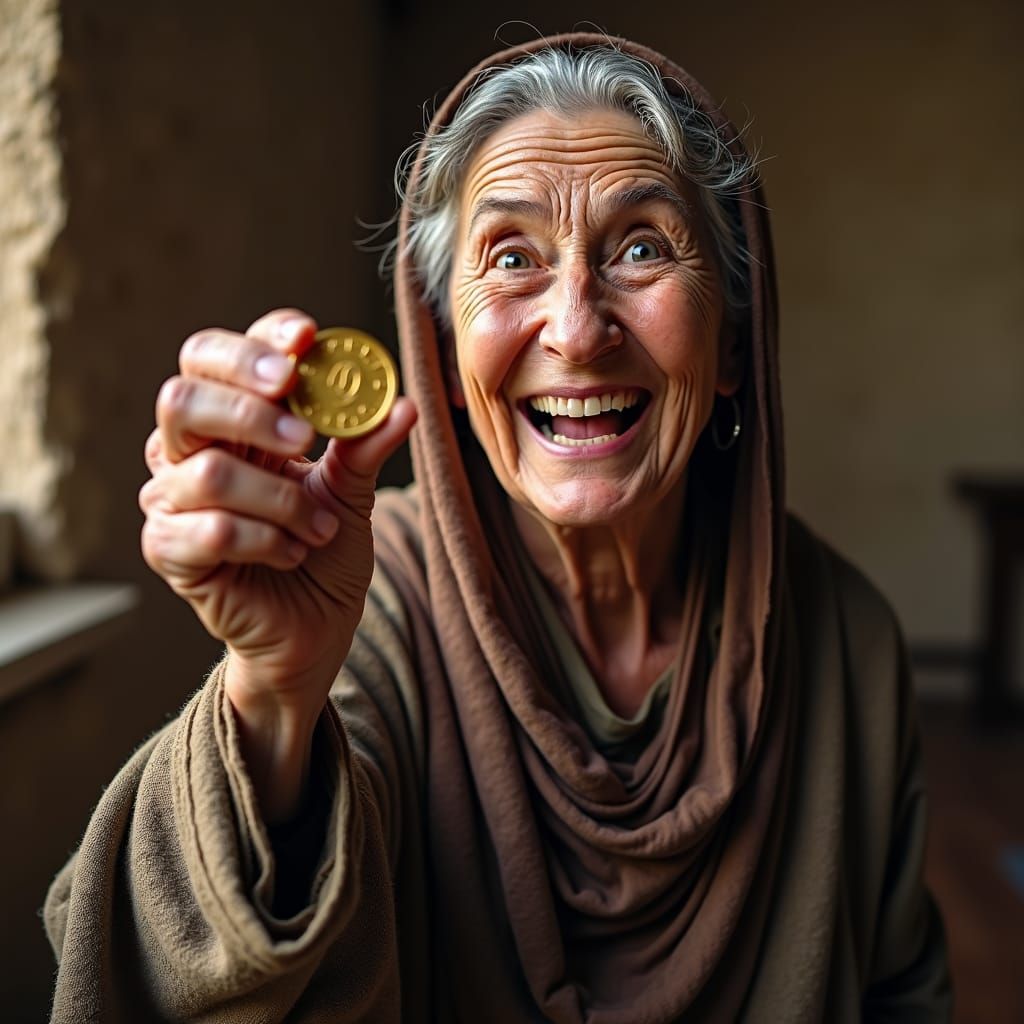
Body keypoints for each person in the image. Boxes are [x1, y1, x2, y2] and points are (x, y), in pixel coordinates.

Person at [44, 31, 952, 1023]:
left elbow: (901, 990)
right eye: (511, 256)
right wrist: (273, 684)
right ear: (443, 359)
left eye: (641, 245)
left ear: (732, 338)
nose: (573, 327)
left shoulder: (846, 643)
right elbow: (183, 972)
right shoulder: (367, 590)